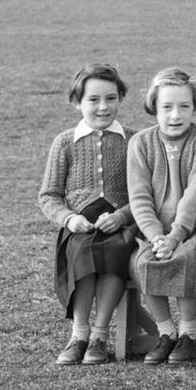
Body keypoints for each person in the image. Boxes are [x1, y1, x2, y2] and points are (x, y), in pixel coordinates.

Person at [39, 62, 139, 366]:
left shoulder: (134, 141)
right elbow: (49, 196)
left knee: (115, 255)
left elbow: (145, 194)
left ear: (120, 98)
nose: (103, 107)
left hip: (119, 223)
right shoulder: (65, 142)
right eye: (93, 100)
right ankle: (78, 333)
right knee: (81, 254)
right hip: (80, 223)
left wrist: (122, 216)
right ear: (77, 102)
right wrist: (70, 218)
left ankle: (99, 335)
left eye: (111, 98)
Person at [127, 68, 196, 366]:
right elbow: (139, 197)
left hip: (194, 228)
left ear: (195, 106)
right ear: (154, 107)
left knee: (186, 257)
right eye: (166, 107)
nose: (175, 114)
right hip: (152, 232)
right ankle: (165, 332)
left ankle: (188, 334)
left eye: (184, 106)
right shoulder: (140, 143)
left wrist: (176, 235)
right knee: (142, 261)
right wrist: (157, 237)